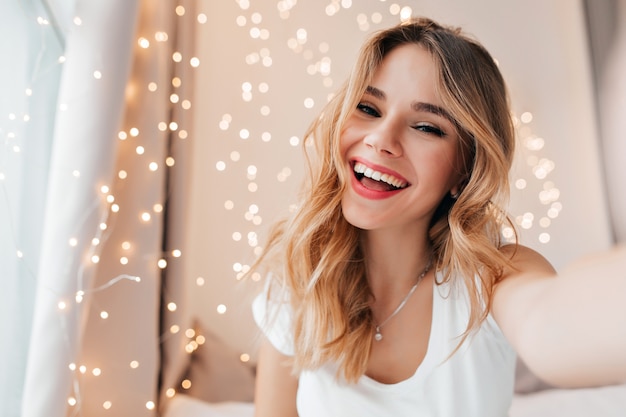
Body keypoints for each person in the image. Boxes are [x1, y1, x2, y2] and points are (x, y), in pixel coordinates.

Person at [250, 16, 626, 417]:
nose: (380, 139)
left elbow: (550, 326)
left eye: (427, 127)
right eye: (367, 107)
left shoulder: (492, 277)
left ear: (464, 169)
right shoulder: (300, 275)